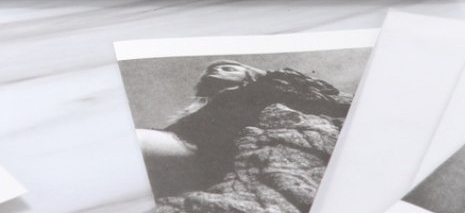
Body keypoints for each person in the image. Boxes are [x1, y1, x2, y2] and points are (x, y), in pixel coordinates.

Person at [137, 60, 351, 198]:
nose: (217, 70)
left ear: (248, 73)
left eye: (228, 67)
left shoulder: (265, 87)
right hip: (190, 149)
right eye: (212, 70)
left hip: (205, 153)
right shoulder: (205, 106)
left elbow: (323, 101)